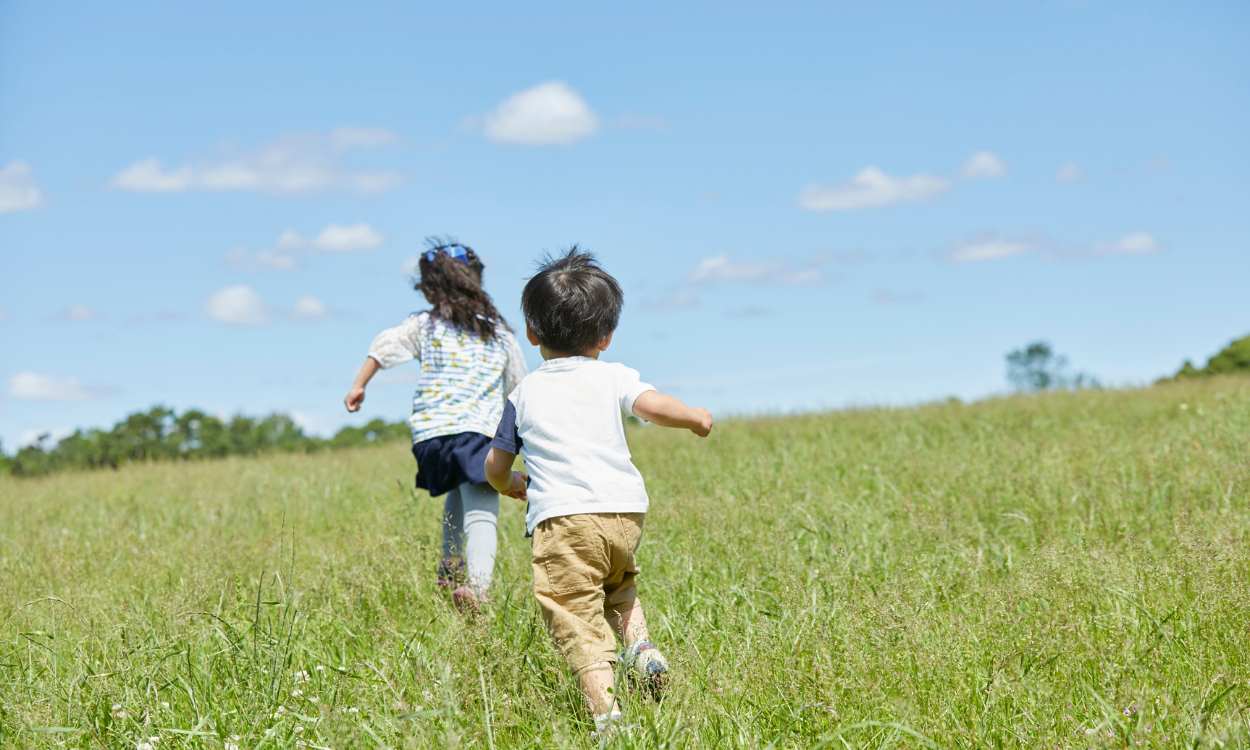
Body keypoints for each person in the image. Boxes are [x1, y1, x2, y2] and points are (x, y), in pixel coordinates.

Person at [484, 248, 712, 734]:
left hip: (564, 520)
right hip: (625, 515)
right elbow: (651, 406)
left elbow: (496, 465)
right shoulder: (614, 377)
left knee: (574, 614)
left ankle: (608, 720)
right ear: (606, 337)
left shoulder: (523, 394)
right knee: (618, 587)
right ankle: (642, 648)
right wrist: (693, 416)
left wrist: (510, 485)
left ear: (532, 333)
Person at [344, 239, 527, 610]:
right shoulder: (498, 335)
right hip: (476, 429)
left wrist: (359, 384)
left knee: (458, 492)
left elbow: (384, 346)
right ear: (476, 282)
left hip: (431, 436)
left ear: (430, 289)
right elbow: (521, 388)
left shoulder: (424, 325)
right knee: (482, 509)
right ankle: (478, 589)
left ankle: (450, 566)